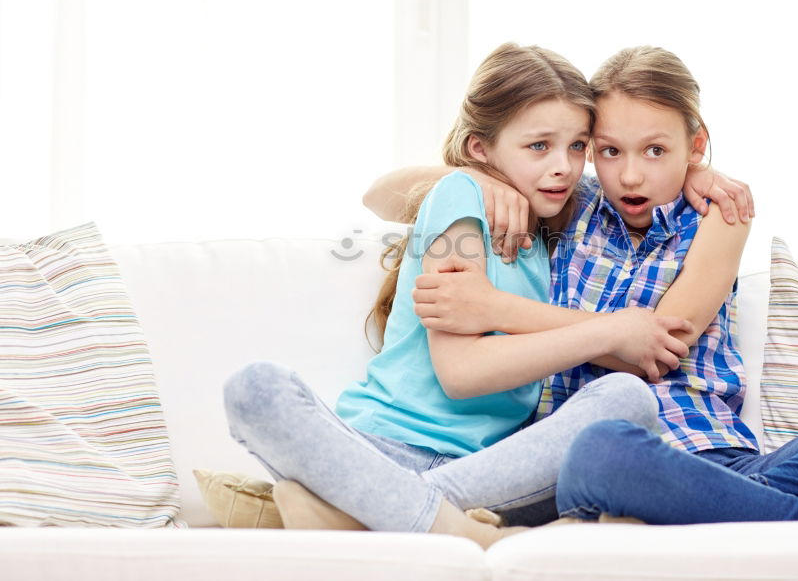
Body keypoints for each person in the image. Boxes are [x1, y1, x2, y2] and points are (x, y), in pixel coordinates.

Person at [388, 46, 798, 525]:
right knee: (604, 448)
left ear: (695, 145)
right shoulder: (569, 202)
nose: (631, 176)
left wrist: (495, 309)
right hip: (600, 460)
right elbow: (380, 195)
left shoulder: (719, 217)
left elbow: (651, 349)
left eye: (655, 150)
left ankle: (744, 504)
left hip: (711, 454)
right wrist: (484, 176)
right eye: (609, 151)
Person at [222, 42, 697, 549]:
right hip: (381, 450)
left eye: (578, 146)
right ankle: (453, 528)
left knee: (629, 400)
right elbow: (461, 373)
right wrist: (607, 329)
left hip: (490, 474)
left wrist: (698, 175)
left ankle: (382, 513)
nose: (563, 166)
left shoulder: (562, 219)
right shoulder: (462, 196)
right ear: (480, 148)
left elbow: (640, 176)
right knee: (255, 388)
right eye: (539, 146)